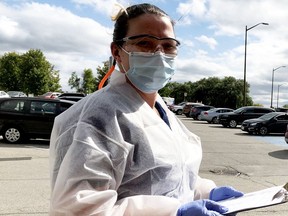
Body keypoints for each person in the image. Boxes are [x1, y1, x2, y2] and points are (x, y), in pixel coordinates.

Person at [49, 3, 243, 215]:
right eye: (145, 43)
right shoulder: (98, 116)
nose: (159, 54)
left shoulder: (161, 110)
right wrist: (172, 213)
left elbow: (175, 178)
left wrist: (207, 193)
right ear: (117, 51)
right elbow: (79, 209)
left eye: (168, 45)